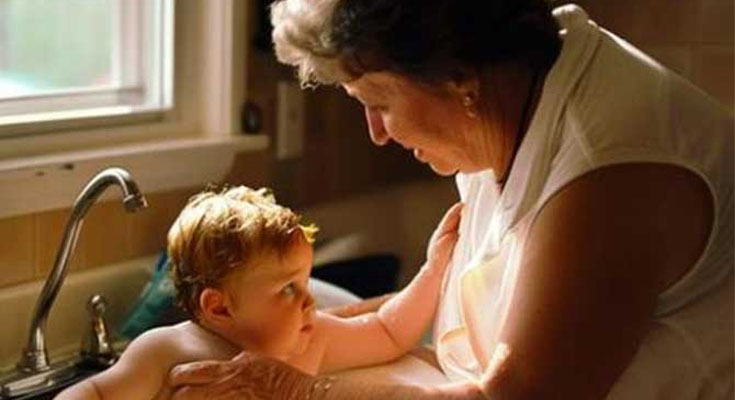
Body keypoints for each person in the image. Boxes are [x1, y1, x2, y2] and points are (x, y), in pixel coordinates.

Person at [168, 1, 734, 399]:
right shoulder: (508, 104)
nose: (377, 133)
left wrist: (301, 391)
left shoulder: (612, 172)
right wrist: (272, 346)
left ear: (458, 80)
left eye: (379, 102)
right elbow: (462, 318)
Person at [55, 186, 461, 400]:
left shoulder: (311, 340)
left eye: (305, 282)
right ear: (218, 306)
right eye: (287, 289)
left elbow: (389, 332)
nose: (309, 301)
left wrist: (435, 268)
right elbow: (95, 392)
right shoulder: (166, 352)